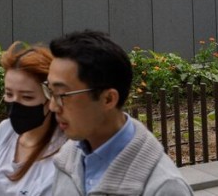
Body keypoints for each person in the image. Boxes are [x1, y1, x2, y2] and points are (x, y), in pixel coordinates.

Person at [46, 30, 192, 196]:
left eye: (62, 95)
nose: (52, 106)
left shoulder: (163, 187)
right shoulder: (68, 158)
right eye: (50, 91)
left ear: (108, 99)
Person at [0, 41, 66, 196]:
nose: (15, 104)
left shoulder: (66, 149)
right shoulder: (5, 130)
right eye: (9, 94)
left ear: (51, 98)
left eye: (27, 97)